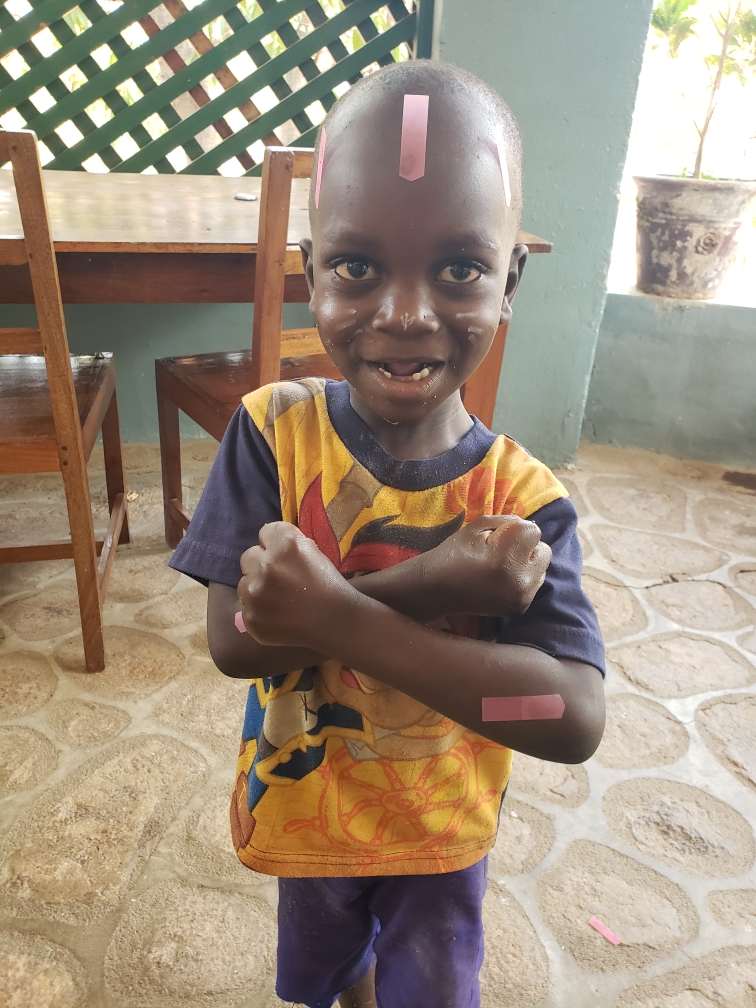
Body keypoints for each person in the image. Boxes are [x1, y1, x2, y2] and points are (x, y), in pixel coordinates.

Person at [169, 59, 605, 1008]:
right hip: (310, 815)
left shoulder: (522, 501)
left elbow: (570, 718)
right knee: (334, 981)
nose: (405, 315)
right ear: (311, 271)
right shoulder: (271, 436)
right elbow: (237, 643)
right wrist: (430, 584)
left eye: (460, 269)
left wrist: (333, 615)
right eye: (358, 267)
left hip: (438, 840)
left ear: (510, 279)